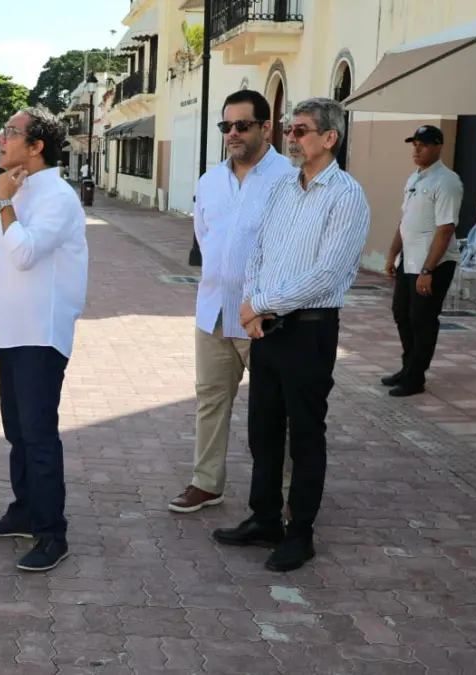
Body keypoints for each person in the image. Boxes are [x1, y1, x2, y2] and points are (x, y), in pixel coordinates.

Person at [213, 98, 370, 572]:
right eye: (289, 129)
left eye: (301, 130)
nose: (291, 138)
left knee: (304, 436)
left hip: (309, 331)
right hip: (268, 330)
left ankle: (300, 533)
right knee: (262, 431)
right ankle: (264, 519)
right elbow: (259, 251)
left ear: (330, 138)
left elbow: (327, 274)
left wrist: (260, 304)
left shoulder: (346, 196)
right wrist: (254, 304)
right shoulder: (283, 187)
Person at [0, 106, 88, 572]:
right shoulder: (23, 189)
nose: (0, 139)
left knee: (38, 436)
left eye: (10, 131)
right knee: (17, 432)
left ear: (37, 146)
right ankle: (24, 512)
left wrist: (3, 203)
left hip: (41, 334)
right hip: (14, 331)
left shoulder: (57, 197)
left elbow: (22, 254)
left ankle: (51, 532)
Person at [170, 89, 295, 516]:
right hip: (214, 311)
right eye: (227, 126)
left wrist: (268, 301)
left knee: (276, 409)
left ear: (266, 128)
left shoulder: (289, 179)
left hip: (265, 317)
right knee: (210, 400)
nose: (233, 133)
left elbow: (294, 249)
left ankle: (287, 490)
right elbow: (205, 240)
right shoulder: (209, 182)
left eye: (243, 125)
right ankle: (206, 483)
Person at [382, 125, 463, 397]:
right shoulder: (415, 178)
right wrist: (393, 254)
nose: (417, 150)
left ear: (438, 147)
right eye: (415, 144)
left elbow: (445, 229)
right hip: (410, 260)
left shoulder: (447, 181)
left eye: (424, 145)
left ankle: (416, 377)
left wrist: (428, 270)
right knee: (402, 314)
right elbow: (405, 221)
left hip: (433, 264)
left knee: (422, 319)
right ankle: (408, 368)